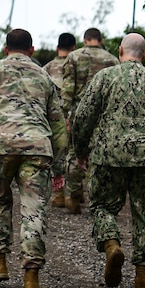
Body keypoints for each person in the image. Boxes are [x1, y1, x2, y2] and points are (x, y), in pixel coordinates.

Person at [71, 32, 145, 288]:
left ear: (120, 51)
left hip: (109, 155)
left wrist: (80, 151)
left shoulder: (103, 78)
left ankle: (112, 245)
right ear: (144, 55)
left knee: (102, 205)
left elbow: (83, 117)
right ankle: (142, 276)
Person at [0, 28, 67, 288]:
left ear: (5, 49)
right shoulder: (44, 75)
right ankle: (31, 278)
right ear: (32, 50)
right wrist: (59, 165)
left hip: (3, 146)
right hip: (38, 147)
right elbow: (58, 123)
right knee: (33, 209)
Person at [59, 27, 119, 213]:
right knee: (100, 156)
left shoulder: (74, 57)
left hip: (79, 113)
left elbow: (67, 90)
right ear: (100, 40)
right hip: (104, 116)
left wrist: (64, 115)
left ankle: (73, 196)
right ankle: (97, 197)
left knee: (75, 153)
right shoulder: (112, 60)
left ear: (85, 40)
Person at [43, 32, 75, 208]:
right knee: (75, 155)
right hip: (76, 116)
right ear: (73, 48)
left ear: (57, 48)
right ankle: (74, 193)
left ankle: (58, 194)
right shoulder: (76, 65)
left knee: (57, 155)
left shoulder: (47, 68)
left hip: (55, 118)